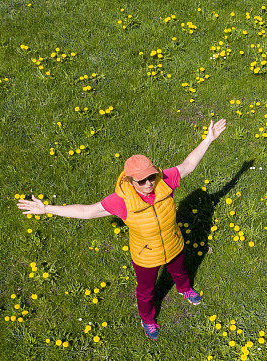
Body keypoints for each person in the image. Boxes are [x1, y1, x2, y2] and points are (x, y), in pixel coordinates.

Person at [17, 118, 227, 340]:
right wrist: (47, 208)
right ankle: (147, 319)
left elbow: (188, 165)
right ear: (130, 181)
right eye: (141, 180)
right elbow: (87, 211)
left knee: (179, 270)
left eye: (151, 176)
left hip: (173, 242)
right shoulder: (122, 201)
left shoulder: (164, 181)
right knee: (146, 291)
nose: (148, 183)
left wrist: (208, 139)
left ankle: (184, 288)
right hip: (145, 255)